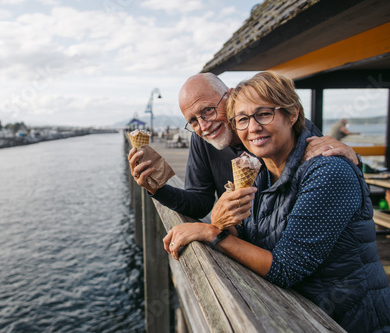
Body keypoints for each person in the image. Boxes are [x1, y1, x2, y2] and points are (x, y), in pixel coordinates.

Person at [163, 71, 390, 332]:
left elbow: (286, 267)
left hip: (350, 320)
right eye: (243, 119)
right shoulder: (262, 172)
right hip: (297, 312)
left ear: (292, 114)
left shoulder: (326, 170)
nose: (253, 127)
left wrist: (210, 232)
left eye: (264, 114)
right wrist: (222, 220)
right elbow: (250, 234)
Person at [128, 73, 361, 219]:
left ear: (229, 97)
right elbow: (200, 202)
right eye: (193, 121)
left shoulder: (282, 131)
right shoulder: (202, 139)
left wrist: (350, 157)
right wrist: (157, 189)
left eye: (208, 110)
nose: (204, 125)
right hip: (249, 253)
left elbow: (336, 180)